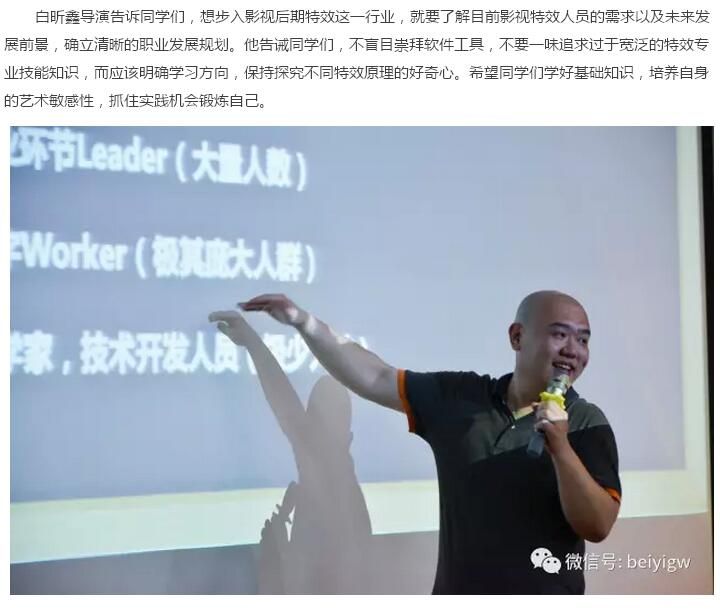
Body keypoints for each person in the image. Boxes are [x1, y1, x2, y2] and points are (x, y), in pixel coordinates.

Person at [210, 290, 621, 594]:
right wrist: (303, 323)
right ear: (517, 337)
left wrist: (560, 447)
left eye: (583, 340)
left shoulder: (587, 424)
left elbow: (598, 524)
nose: (573, 351)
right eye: (560, 335)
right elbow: (375, 376)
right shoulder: (462, 399)